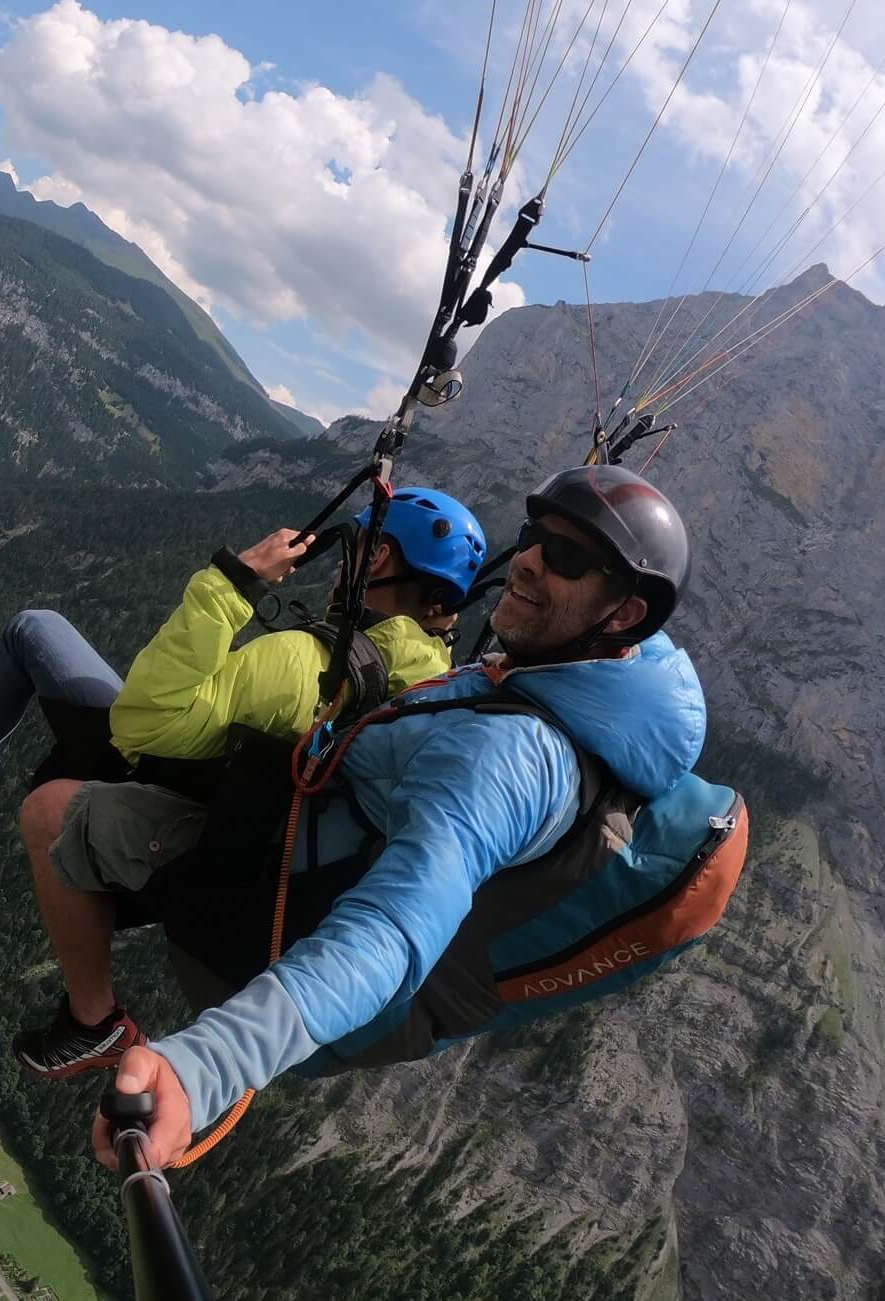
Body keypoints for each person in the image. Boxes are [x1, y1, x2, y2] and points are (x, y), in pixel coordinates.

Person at [58, 464, 706, 1171]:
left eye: (566, 555)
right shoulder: (584, 678)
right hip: (303, 859)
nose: (526, 560)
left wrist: (207, 1065)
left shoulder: (511, 757)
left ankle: (90, 1019)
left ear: (624, 614)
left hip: (269, 916)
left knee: (60, 812)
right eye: (532, 536)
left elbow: (395, 926)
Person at [0, 490, 491, 1075]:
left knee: (48, 799)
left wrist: (232, 583)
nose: (339, 563)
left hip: (200, 817)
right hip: (247, 824)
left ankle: (92, 1020)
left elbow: (145, 726)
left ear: (378, 557)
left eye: (350, 545)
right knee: (36, 632)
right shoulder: (432, 681)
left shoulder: (303, 663)